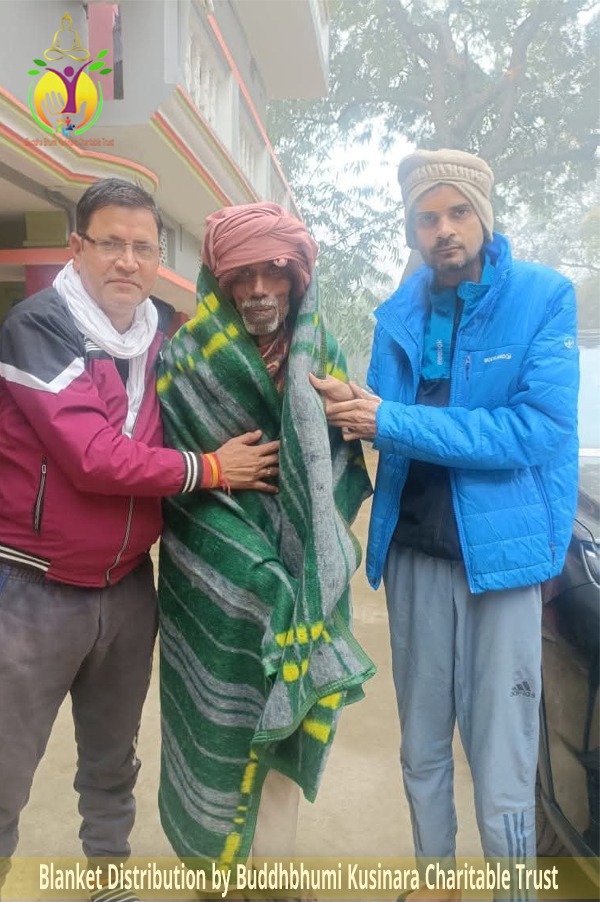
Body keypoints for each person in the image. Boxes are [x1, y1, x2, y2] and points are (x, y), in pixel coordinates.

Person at [0, 179, 279, 896]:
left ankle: (109, 878)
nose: (126, 261)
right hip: (34, 590)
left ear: (158, 257)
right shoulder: (38, 326)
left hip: (126, 587)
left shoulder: (158, 331)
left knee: (112, 755)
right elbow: (92, 457)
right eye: (110, 244)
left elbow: (213, 391)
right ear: (78, 248)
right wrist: (213, 468)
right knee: (5, 764)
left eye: (142, 247)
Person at [310, 149, 579, 883]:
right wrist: (328, 409)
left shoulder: (543, 297)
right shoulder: (399, 315)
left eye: (458, 212)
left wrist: (391, 420)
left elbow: (537, 431)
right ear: (412, 230)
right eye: (427, 218)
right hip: (415, 557)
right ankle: (436, 883)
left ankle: (511, 890)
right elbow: (379, 426)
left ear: (484, 217)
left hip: (503, 563)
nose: (444, 230)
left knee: (503, 755)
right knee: (422, 744)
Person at [157, 202, 375, 868]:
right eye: (241, 276)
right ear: (219, 282)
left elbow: (337, 470)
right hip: (215, 582)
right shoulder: (185, 359)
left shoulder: (325, 352)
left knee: (285, 725)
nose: (257, 290)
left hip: (303, 571)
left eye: (273, 274)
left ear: (297, 277)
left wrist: (345, 419)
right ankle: (216, 869)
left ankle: (272, 869)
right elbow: (178, 487)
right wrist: (251, 568)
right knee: (214, 719)